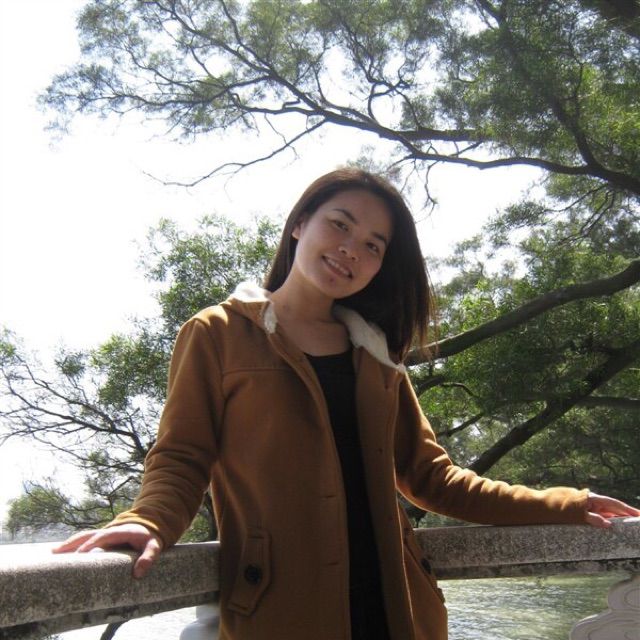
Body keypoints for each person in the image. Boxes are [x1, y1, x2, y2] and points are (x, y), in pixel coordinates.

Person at [54, 168, 639, 640]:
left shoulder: (377, 356)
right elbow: (182, 456)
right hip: (280, 609)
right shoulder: (218, 334)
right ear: (299, 224)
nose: (350, 250)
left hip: (398, 609)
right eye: (339, 224)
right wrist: (146, 521)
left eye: (372, 246)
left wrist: (567, 503)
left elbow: (433, 479)